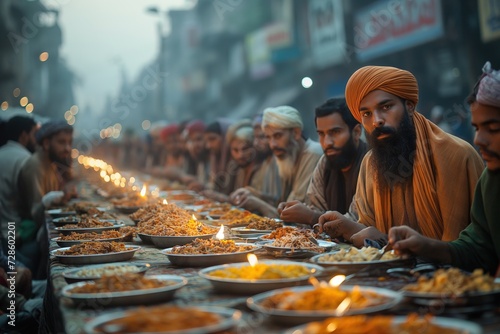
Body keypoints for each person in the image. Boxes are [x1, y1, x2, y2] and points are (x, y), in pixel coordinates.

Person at [318, 65, 484, 247]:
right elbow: (370, 233)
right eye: (366, 113)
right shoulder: (370, 163)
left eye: (386, 107)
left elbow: (464, 249)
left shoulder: (456, 155)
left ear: (410, 106)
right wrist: (347, 226)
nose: (377, 121)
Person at [388, 61, 500, 276]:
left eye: (493, 129)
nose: (479, 140)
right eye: (476, 128)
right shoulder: (491, 179)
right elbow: (478, 249)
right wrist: (426, 246)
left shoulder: (457, 153)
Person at [278, 98, 368, 226]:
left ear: (356, 132)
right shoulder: (325, 162)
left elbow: (358, 220)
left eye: (335, 132)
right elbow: (315, 205)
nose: (327, 142)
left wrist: (312, 217)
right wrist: (294, 210)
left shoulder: (370, 162)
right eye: (321, 134)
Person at [235, 106, 323, 217]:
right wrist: (255, 194)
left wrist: (259, 204)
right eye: (268, 137)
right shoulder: (289, 156)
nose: (272, 145)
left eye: (278, 136)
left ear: (296, 133)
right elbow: (282, 202)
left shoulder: (313, 154)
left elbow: (294, 214)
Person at [18, 120, 75, 278]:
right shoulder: (35, 165)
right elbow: (36, 214)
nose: (67, 148)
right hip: (25, 238)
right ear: (46, 143)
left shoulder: (51, 163)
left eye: (69, 142)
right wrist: (54, 198)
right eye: (61, 142)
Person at [0, 116, 38, 260]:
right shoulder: (25, 159)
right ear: (24, 135)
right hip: (12, 233)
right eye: (34, 134)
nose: (36, 140)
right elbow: (31, 205)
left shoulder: (1, 153)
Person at [229, 113, 281, 207]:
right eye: (235, 150)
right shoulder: (242, 169)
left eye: (245, 149)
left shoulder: (273, 163)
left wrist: (253, 195)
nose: (240, 155)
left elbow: (277, 202)